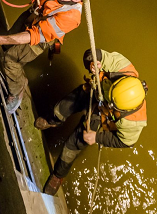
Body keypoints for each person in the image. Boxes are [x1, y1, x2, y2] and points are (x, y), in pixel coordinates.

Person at [35, 48, 148, 196]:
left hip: (101, 114)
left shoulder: (133, 122)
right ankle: (53, 120)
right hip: (95, 90)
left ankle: (58, 175)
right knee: (64, 106)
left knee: (74, 144)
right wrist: (91, 62)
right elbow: (93, 53)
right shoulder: (122, 66)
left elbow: (124, 141)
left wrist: (96, 137)